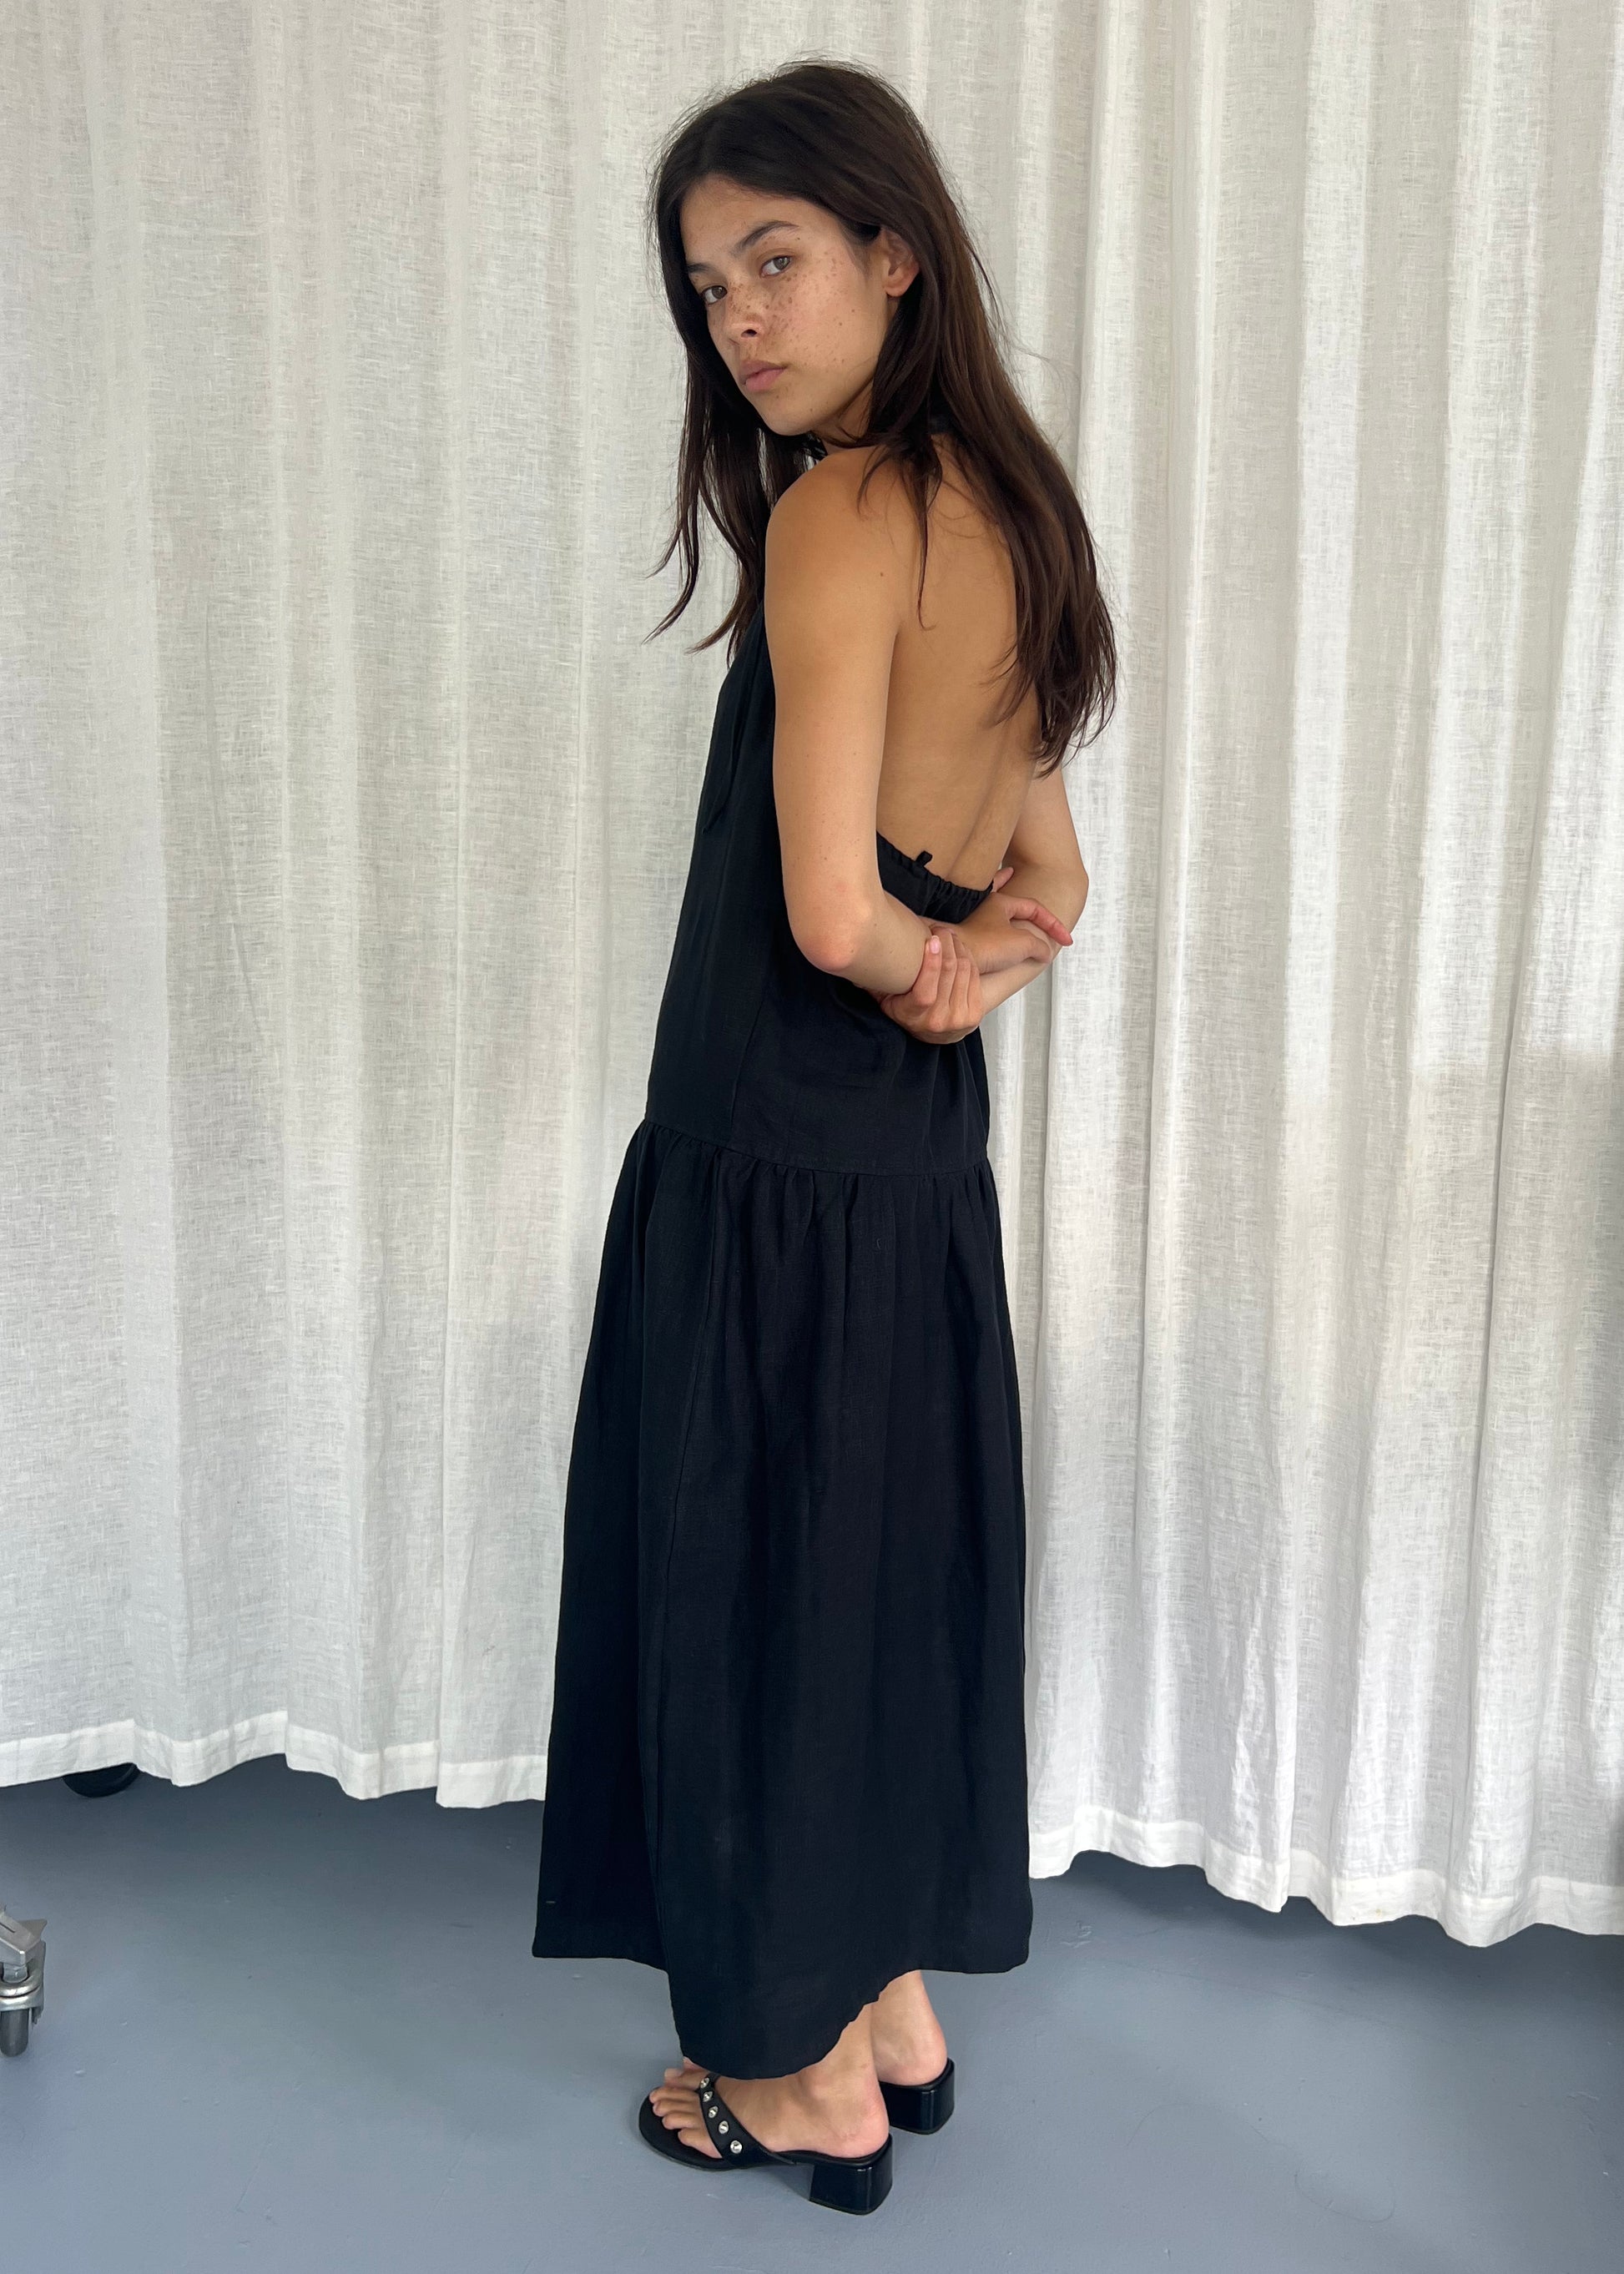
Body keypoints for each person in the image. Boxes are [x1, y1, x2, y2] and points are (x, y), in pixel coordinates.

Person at [532, 58, 1113, 2216]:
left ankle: (793, 2087)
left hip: (766, 1153)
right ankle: (886, 2000)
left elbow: (826, 913)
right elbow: (1047, 880)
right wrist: (966, 985)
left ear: (895, 250)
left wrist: (904, 964)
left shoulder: (842, 513)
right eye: (703, 288)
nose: (737, 321)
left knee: (756, 1584)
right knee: (868, 1575)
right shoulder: (1003, 506)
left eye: (773, 261)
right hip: (910, 1169)